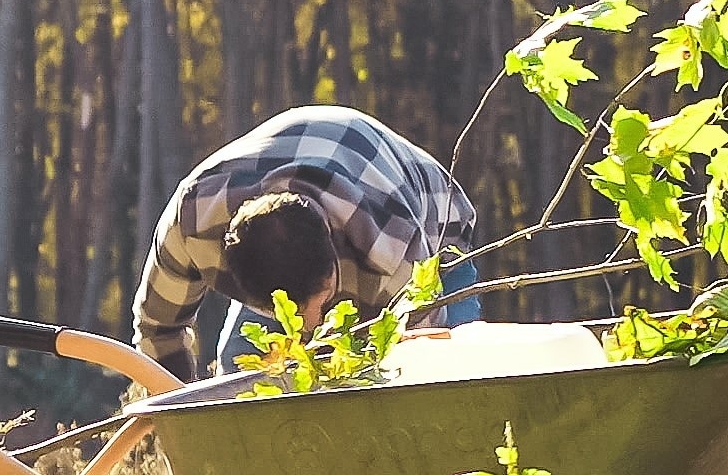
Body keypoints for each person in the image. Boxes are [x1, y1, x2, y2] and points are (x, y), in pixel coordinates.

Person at [137, 104, 481, 377]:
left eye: (317, 306)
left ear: (333, 256)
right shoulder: (194, 222)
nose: (309, 331)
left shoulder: (392, 247)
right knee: (239, 382)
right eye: (288, 313)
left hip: (436, 230)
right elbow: (159, 332)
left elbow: (422, 371)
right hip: (306, 175)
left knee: (459, 380)